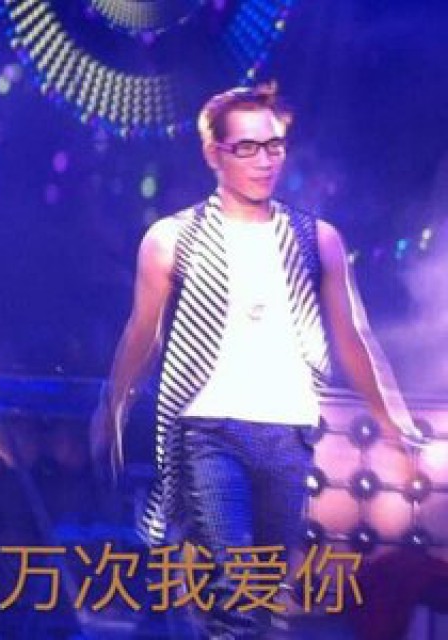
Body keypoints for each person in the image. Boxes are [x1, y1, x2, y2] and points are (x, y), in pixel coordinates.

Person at [90, 82, 420, 638]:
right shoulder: (171, 239)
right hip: (207, 433)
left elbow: (354, 337)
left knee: (263, 602)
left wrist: (391, 423)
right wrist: (113, 405)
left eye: (274, 146)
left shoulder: (317, 239)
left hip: (289, 433)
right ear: (213, 153)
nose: (265, 160)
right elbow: (141, 334)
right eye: (247, 147)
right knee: (235, 597)